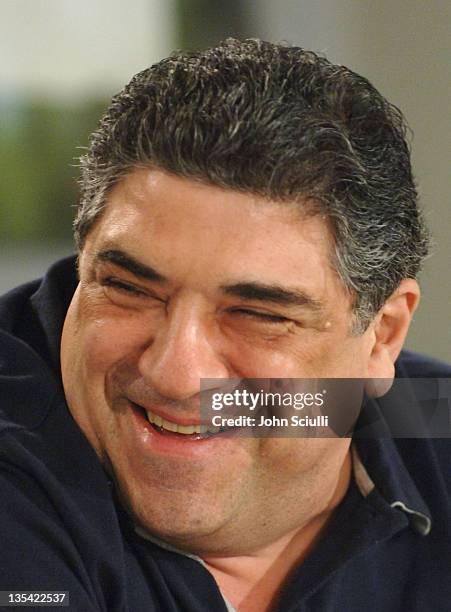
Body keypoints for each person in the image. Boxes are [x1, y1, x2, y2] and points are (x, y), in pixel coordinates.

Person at [0, 38, 449, 612]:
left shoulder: (427, 417)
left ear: (382, 336)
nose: (176, 374)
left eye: (257, 316)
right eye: (129, 289)